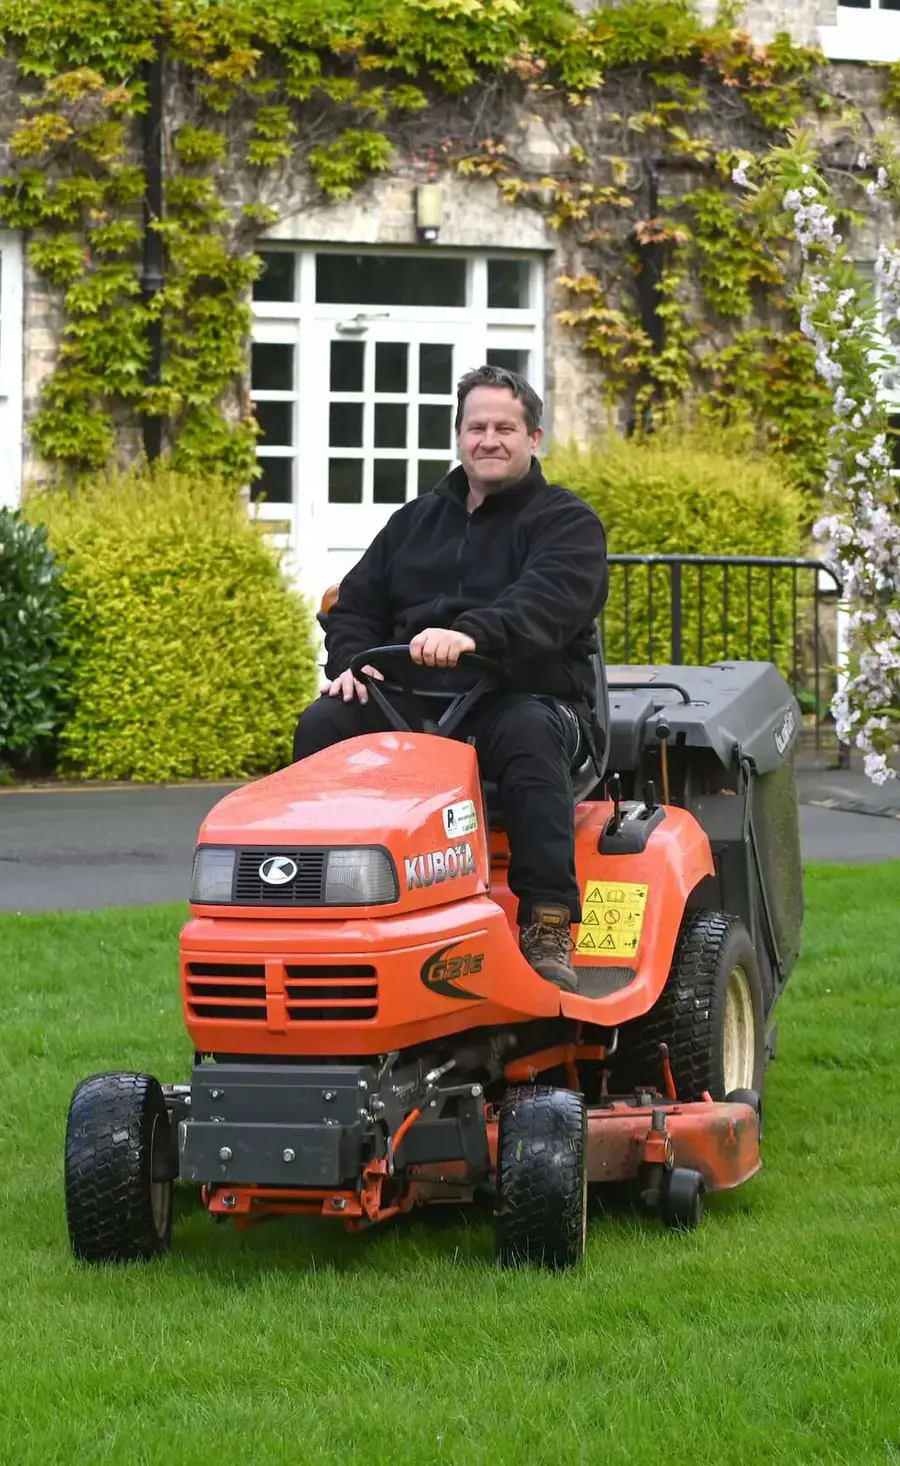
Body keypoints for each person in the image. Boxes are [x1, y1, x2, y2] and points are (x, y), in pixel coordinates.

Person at [293, 365, 608, 992]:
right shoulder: (415, 523)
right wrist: (353, 665)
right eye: (476, 427)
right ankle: (321, 904)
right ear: (459, 437)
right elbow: (353, 607)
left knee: (526, 731)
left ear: (534, 437)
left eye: (505, 428)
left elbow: (547, 604)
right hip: (412, 706)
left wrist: (473, 635)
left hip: (527, 698)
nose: (489, 440)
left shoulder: (567, 524)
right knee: (326, 722)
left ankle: (546, 924)